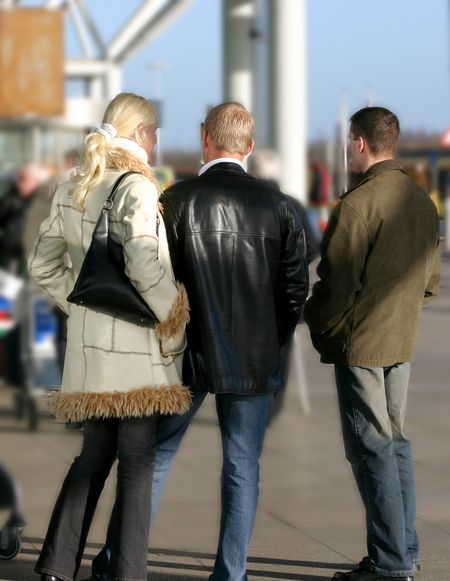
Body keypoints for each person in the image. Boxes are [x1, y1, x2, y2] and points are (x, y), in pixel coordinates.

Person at [87, 101, 309, 581]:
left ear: (206, 138)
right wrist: (271, 339)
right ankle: (231, 573)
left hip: (185, 353)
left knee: (155, 460)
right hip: (253, 357)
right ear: (249, 146)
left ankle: (117, 563)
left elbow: (154, 277)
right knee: (242, 465)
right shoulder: (280, 207)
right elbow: (295, 291)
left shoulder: (176, 199)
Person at [28, 92, 191, 581]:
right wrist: (173, 314)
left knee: (93, 457)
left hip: (88, 351)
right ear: (141, 134)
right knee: (137, 466)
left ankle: (56, 566)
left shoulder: (72, 186)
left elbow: (42, 263)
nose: (158, 139)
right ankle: (129, 573)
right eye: (155, 130)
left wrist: (79, 302)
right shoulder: (138, 187)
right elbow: (145, 263)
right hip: (135, 352)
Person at [304, 106, 441, 581]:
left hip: (362, 344)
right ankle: (404, 552)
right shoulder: (422, 202)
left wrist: (314, 321)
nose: (346, 149)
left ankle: (389, 562)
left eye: (349, 141)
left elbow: (335, 284)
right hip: (400, 340)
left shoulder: (358, 205)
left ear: (360, 141)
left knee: (372, 449)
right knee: (395, 444)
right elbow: (430, 282)